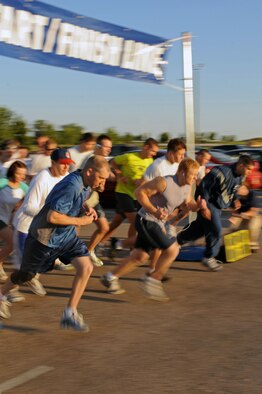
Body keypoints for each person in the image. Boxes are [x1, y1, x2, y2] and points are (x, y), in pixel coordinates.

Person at [0, 156, 110, 332]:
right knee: (26, 275)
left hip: (65, 237)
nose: (103, 182)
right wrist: (81, 221)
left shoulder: (85, 182)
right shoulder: (71, 185)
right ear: (90, 171)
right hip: (44, 238)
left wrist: (85, 208)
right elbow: (53, 217)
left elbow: (73, 202)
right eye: (102, 178)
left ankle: (70, 312)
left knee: (86, 266)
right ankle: (1, 295)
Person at [101, 158, 203, 301]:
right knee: (173, 249)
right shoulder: (163, 182)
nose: (195, 178)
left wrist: (198, 206)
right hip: (146, 220)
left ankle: (110, 277)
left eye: (196, 175)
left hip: (158, 223)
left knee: (139, 257)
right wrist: (154, 211)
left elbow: (189, 203)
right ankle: (153, 279)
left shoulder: (187, 186)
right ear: (182, 172)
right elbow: (139, 193)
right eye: (193, 174)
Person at [10, 148, 73, 301]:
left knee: (37, 261)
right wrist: (51, 215)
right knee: (23, 267)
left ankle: (30, 277)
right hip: (25, 227)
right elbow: (28, 206)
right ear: (53, 162)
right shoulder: (42, 178)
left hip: (42, 229)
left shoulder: (66, 176)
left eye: (68, 164)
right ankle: (9, 292)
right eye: (62, 163)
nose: (66, 167)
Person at [177, 155, 255, 271]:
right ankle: (209, 257)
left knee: (199, 229)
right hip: (209, 203)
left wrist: (235, 200)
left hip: (217, 207)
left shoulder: (240, 177)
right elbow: (203, 187)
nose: (250, 172)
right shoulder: (221, 172)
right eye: (248, 169)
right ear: (241, 165)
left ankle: (175, 242)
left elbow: (233, 189)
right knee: (216, 229)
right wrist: (204, 208)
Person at [143, 138, 186, 274]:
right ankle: (153, 271)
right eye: (180, 154)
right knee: (157, 243)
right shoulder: (158, 166)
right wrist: (153, 210)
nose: (182, 157)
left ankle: (118, 244)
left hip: (165, 210)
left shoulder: (176, 166)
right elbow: (143, 188)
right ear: (171, 153)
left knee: (146, 247)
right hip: (153, 210)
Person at [109, 138, 159, 250]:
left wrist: (143, 183)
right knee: (136, 221)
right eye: (153, 151)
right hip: (123, 193)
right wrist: (119, 175)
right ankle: (133, 248)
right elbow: (113, 161)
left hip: (137, 195)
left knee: (115, 222)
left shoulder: (150, 162)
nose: (154, 154)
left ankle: (101, 243)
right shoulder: (129, 157)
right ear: (146, 147)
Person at [86, 135, 114, 266]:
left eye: (110, 147)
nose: (109, 149)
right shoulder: (90, 160)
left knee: (104, 227)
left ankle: (89, 251)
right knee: (75, 227)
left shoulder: (103, 160)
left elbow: (108, 176)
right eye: (106, 146)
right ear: (98, 147)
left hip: (93, 200)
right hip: (83, 200)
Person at [0, 161, 28, 282]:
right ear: (12, 172)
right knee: (13, 241)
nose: (22, 176)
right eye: (19, 173)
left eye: (24, 174)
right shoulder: (2, 183)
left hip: (7, 220)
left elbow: (32, 199)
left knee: (12, 242)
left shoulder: (24, 187)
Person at [228, 184, 261, 252]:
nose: (237, 191)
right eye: (237, 190)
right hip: (242, 216)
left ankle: (253, 244)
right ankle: (235, 245)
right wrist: (233, 216)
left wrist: (244, 214)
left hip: (254, 216)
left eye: (239, 189)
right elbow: (234, 210)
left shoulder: (252, 194)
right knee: (233, 227)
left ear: (244, 189)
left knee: (252, 226)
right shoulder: (236, 197)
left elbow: (254, 211)